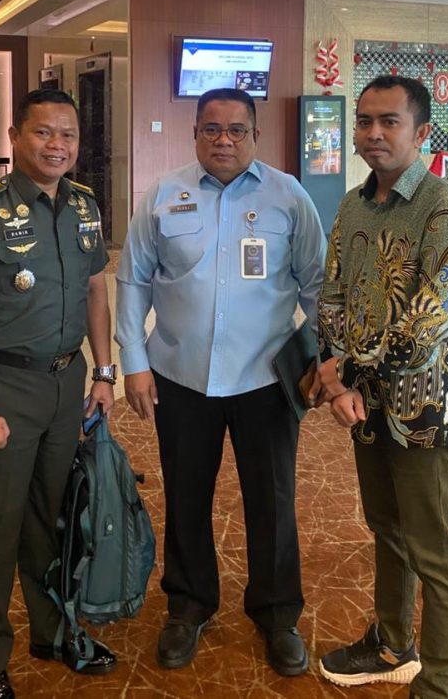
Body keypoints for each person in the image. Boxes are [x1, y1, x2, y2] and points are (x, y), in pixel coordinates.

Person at [115, 88, 326, 677]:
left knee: (273, 500)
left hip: (266, 379)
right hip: (181, 377)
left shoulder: (289, 195)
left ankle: (277, 614)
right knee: (186, 496)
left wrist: (323, 359)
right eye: (211, 129)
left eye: (236, 130)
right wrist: (133, 360)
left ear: (256, 134)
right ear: (195, 134)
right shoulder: (164, 195)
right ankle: (188, 605)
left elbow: (318, 284)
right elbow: (132, 279)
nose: (224, 140)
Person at [0, 89, 118, 699]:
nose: (57, 145)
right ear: (15, 137)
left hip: (65, 384)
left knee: (54, 517)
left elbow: (95, 291)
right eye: (43, 132)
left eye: (68, 134)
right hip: (1, 385)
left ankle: (52, 630)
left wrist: (104, 372)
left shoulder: (84, 205)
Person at [313, 75, 448, 699]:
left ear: (422, 131)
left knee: (431, 548)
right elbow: (332, 295)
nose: (374, 133)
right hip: (363, 404)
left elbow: (427, 325)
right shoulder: (353, 205)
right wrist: (337, 378)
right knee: (384, 525)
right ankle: (390, 644)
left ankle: (436, 685)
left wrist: (348, 377)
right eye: (365, 121)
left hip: (423, 407)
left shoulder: (446, 209)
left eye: (390, 121)